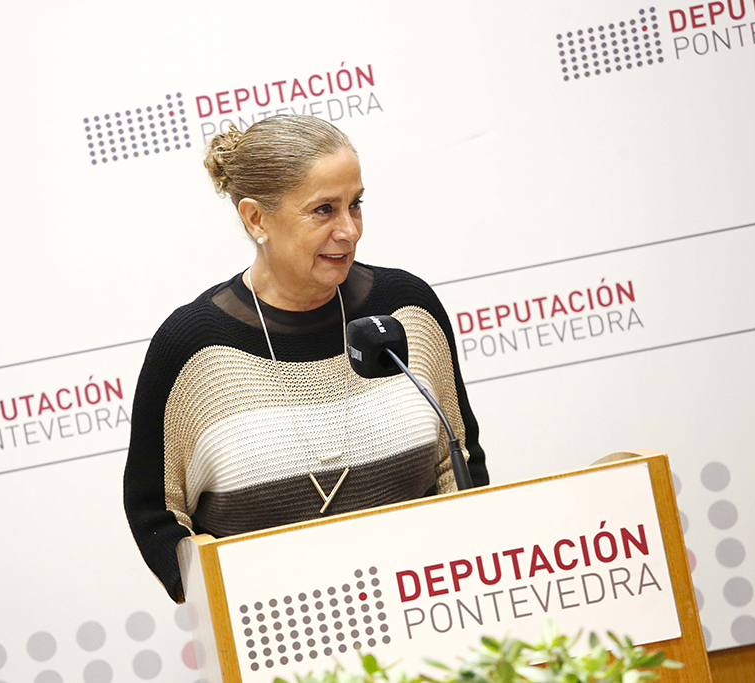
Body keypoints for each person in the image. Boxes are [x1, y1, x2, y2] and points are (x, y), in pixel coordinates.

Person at [123, 115, 488, 603]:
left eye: (355, 205)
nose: (349, 230)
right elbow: (157, 512)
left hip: (424, 609)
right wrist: (221, 606)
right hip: (275, 628)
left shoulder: (406, 309)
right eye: (323, 210)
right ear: (256, 219)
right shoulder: (193, 346)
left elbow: (459, 458)